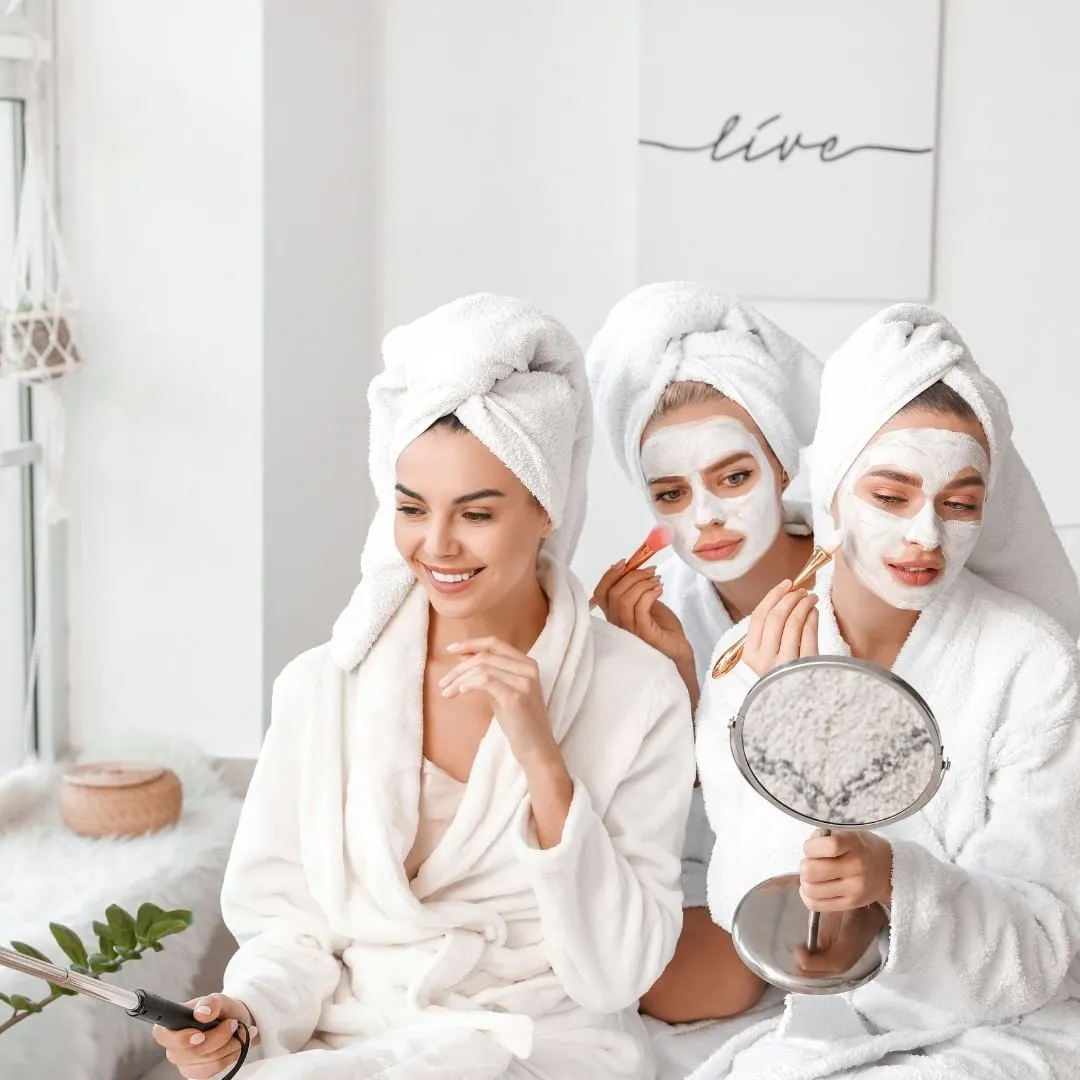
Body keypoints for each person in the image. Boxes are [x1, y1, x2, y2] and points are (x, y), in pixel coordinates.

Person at [155, 295, 695, 1080]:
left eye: (475, 515)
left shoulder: (638, 693)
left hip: (539, 1046)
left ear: (545, 508)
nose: (436, 545)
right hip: (354, 1040)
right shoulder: (325, 689)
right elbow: (289, 926)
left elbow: (620, 973)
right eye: (411, 509)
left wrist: (541, 757)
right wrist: (247, 1018)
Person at [694, 304, 1080, 1079]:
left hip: (1008, 1027)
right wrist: (785, 722)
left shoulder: (1034, 665)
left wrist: (898, 882)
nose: (926, 537)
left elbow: (1041, 945)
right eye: (892, 496)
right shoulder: (749, 660)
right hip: (822, 1019)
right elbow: (752, 905)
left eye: (960, 503)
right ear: (835, 492)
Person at [586, 283, 822, 1045]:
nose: (707, 516)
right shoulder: (657, 608)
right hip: (701, 862)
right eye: (671, 493)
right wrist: (667, 690)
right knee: (691, 987)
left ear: (781, 465)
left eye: (733, 477)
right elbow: (647, 816)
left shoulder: (859, 585)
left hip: (835, 857)